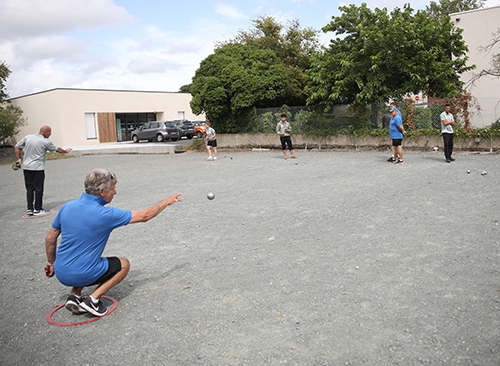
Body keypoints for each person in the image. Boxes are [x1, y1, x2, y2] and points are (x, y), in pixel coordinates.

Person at [44, 168, 183, 317]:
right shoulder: (105, 214)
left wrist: (52, 263)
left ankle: (75, 296)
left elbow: (50, 239)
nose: (115, 192)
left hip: (61, 272)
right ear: (101, 192)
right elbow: (145, 215)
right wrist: (167, 201)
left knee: (84, 258)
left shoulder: (67, 207)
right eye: (113, 189)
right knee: (124, 264)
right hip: (82, 273)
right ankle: (93, 299)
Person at [14, 125, 72, 216]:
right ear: (45, 132)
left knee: (29, 188)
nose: (50, 134)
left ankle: (30, 208)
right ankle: (38, 208)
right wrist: (66, 151)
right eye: (50, 132)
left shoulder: (28, 137)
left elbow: (16, 147)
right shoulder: (45, 141)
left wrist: (19, 159)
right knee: (38, 188)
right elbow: (58, 150)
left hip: (26, 167)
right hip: (38, 168)